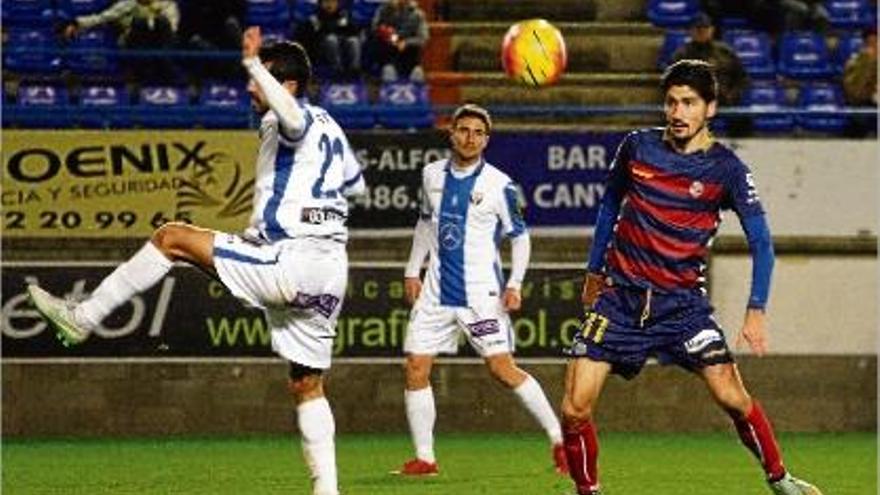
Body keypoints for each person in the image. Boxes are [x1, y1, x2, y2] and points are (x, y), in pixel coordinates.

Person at [27, 26, 365, 495]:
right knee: (307, 383)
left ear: (285, 85)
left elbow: (291, 118)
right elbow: (356, 183)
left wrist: (252, 64)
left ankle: (81, 317)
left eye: (260, 79)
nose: (250, 87)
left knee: (171, 238)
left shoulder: (294, 115)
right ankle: (327, 491)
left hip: (292, 256)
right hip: (330, 270)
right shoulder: (333, 125)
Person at [559, 60, 821, 495]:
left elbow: (762, 244)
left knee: (731, 397)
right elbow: (609, 206)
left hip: (682, 307)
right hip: (620, 302)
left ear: (710, 109)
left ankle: (780, 479)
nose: (678, 112)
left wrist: (756, 309)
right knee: (574, 408)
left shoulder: (726, 169)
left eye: (689, 103)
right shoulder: (637, 147)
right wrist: (594, 270)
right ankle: (587, 491)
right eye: (672, 102)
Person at [394, 103, 568, 477]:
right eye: (463, 130)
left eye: (478, 132)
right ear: (451, 133)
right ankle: (425, 458)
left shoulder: (499, 185)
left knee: (503, 370)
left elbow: (520, 238)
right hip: (436, 291)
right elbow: (425, 223)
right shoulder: (430, 175)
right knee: (415, 367)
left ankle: (559, 439)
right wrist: (413, 270)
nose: (470, 138)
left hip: (481, 294)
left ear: (486, 140)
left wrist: (515, 283)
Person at [61, 0, 181, 82]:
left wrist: (154, 17)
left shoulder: (167, 4)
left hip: (160, 43)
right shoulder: (128, 3)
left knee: (162, 23)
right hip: (135, 44)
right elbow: (102, 18)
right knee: (139, 23)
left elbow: (172, 29)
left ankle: (165, 67)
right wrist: (75, 23)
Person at [295, 0, 363, 80]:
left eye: (333, 2)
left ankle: (354, 70)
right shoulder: (315, 17)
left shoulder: (343, 15)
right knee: (331, 39)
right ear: (321, 4)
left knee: (353, 40)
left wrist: (345, 27)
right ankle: (337, 71)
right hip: (321, 50)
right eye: (326, 2)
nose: (330, 5)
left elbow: (353, 32)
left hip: (342, 46)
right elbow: (306, 37)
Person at [369, 0, 429, 82]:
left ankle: (415, 75)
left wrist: (406, 43)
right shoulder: (383, 10)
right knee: (378, 44)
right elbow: (375, 28)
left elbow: (423, 38)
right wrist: (389, 35)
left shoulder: (417, 14)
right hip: (388, 48)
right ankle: (386, 73)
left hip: (409, 50)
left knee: (414, 55)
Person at [843, 27, 878, 137]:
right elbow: (853, 90)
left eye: (876, 42)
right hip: (865, 100)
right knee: (858, 114)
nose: (874, 45)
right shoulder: (855, 61)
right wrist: (867, 63)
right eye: (870, 42)